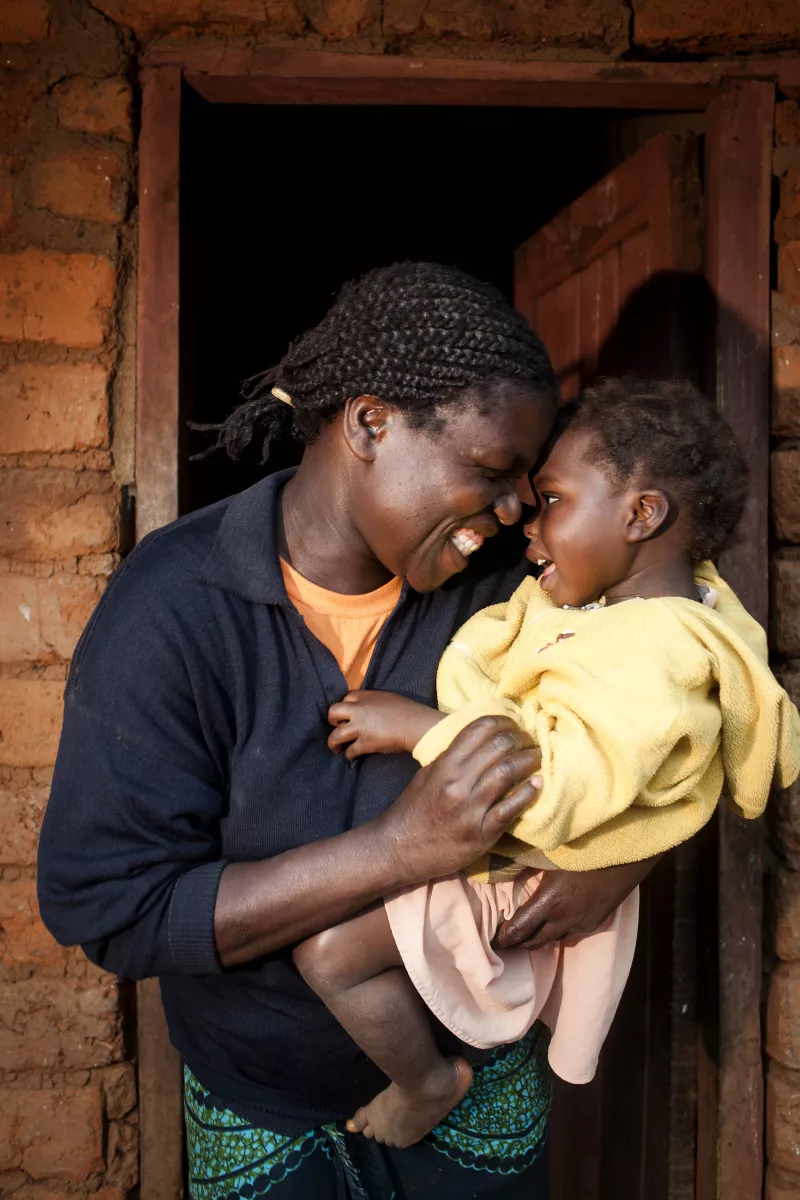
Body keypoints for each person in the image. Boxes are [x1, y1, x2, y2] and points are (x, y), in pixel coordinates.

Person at [38, 263, 654, 1200]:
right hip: (261, 1096)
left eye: (526, 488)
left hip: (483, 1069)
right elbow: (111, 909)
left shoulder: (518, 599)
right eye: (489, 473)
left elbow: (674, 726)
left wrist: (619, 862)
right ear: (369, 423)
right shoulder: (174, 607)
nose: (512, 513)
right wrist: (401, 848)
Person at [293, 378, 800, 1150]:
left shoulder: (654, 653)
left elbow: (555, 790)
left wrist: (423, 730)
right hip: (517, 850)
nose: (527, 524)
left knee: (329, 956)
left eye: (554, 500)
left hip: (527, 861)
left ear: (643, 513)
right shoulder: (636, 608)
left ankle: (429, 1083)